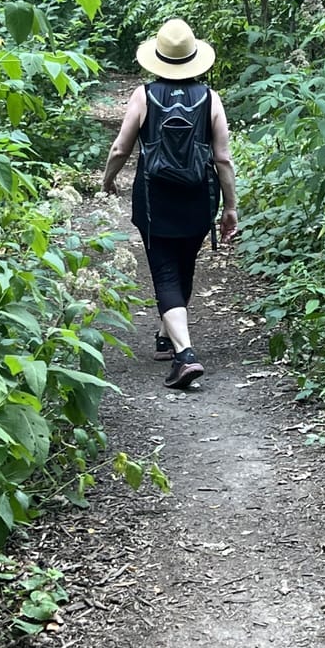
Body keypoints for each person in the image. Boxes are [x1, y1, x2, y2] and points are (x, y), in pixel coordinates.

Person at [102, 19, 239, 389]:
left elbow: (120, 147)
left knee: (164, 273)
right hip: (199, 197)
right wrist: (230, 207)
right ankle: (166, 337)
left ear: (158, 57)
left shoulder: (143, 95)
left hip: (154, 198)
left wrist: (108, 179)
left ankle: (185, 355)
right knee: (183, 266)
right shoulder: (210, 98)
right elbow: (222, 159)